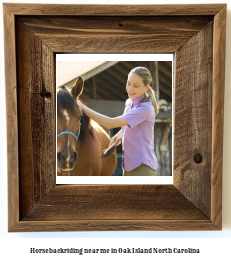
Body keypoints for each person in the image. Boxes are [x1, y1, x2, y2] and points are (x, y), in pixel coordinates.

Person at [79, 66, 159, 176]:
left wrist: (81, 107)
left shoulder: (145, 109)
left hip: (143, 167)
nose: (130, 89)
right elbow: (131, 124)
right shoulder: (129, 102)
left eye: (136, 86)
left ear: (147, 87)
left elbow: (110, 123)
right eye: (128, 83)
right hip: (128, 165)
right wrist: (120, 133)